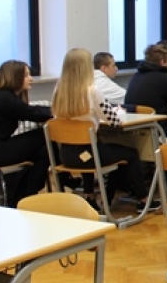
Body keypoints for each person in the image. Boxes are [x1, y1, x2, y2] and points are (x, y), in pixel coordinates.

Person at [52, 48, 157, 212]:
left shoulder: (58, 91)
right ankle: (143, 200)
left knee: (89, 144)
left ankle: (89, 196)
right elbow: (114, 122)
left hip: (66, 156)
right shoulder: (92, 91)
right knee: (131, 154)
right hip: (91, 156)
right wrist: (118, 113)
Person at [0, 60, 52, 207]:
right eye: (26, 75)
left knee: (43, 151)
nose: (31, 78)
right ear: (15, 78)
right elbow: (32, 113)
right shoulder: (4, 98)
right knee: (43, 135)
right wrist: (59, 111)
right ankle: (29, 193)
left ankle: (26, 193)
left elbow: (30, 110)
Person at [125, 43, 167, 134]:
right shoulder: (165, 79)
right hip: (158, 130)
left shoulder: (136, 76)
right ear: (162, 62)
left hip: (135, 130)